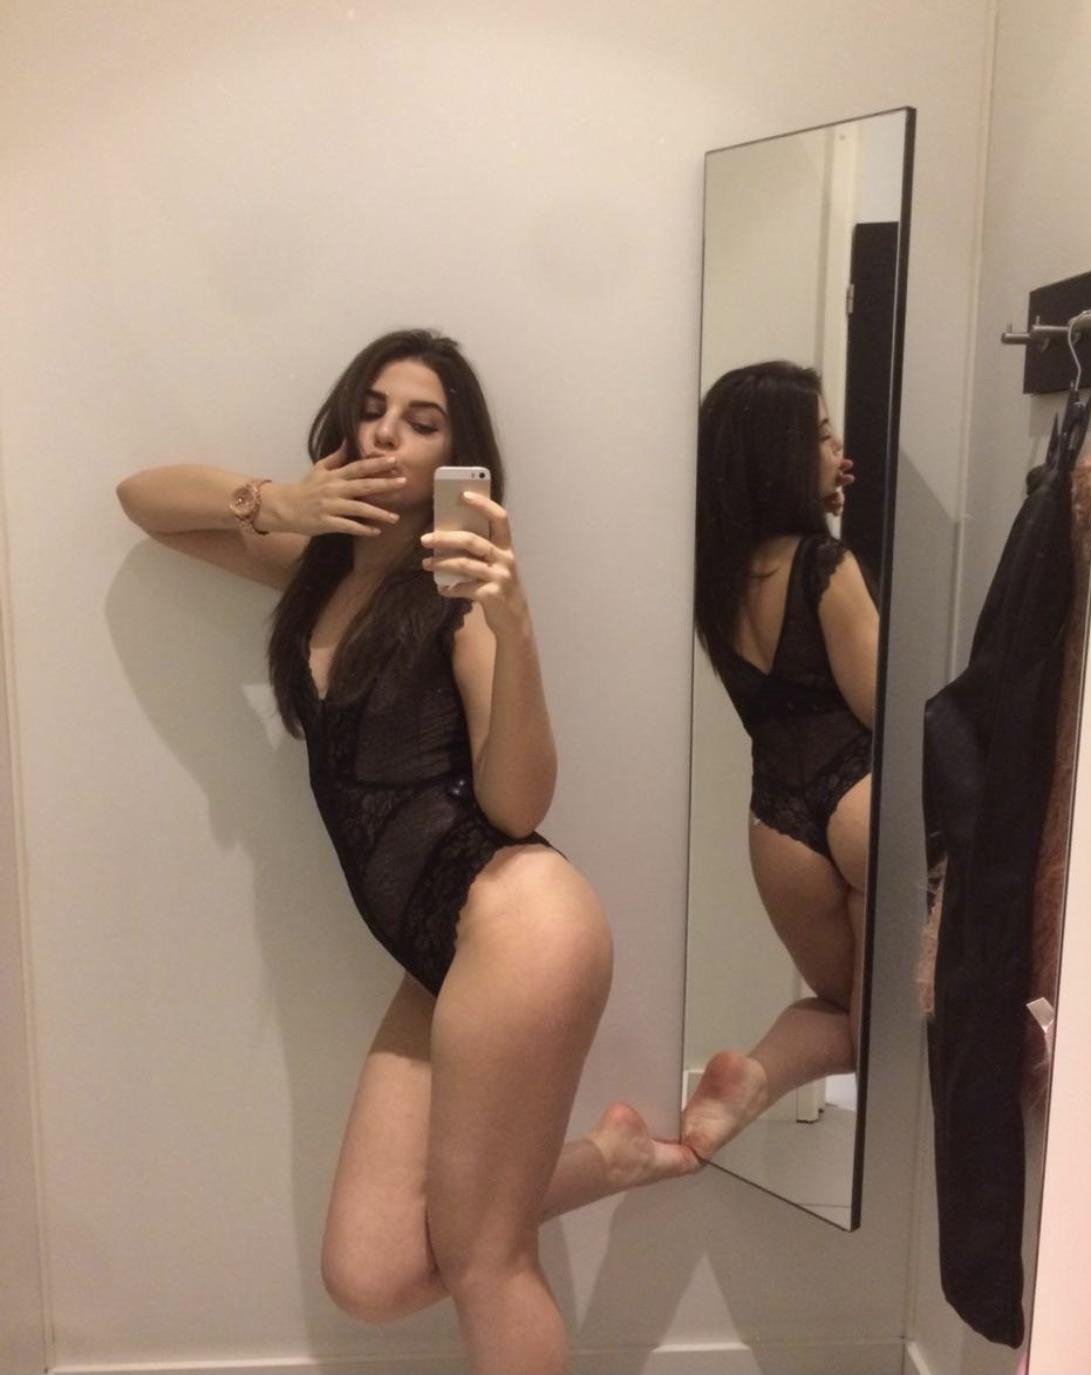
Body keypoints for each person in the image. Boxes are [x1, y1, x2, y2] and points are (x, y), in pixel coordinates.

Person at [117, 328, 698, 1375]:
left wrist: (514, 629)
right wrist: (275, 503)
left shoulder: (454, 594)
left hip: (518, 920)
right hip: (440, 949)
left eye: (422, 422)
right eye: (374, 407)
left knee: (487, 1264)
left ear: (454, 459)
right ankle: (605, 1157)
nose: (388, 432)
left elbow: (516, 805)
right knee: (372, 1272)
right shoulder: (315, 568)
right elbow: (143, 501)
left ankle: (551, 1191)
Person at [680, 359, 876, 1162]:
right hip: (859, 795)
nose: (838, 447)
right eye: (821, 435)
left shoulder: (713, 578)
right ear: (782, 455)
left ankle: (754, 1076)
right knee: (884, 1024)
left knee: (850, 1012)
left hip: (776, 826)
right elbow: (879, 707)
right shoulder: (824, 566)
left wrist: (822, 501)